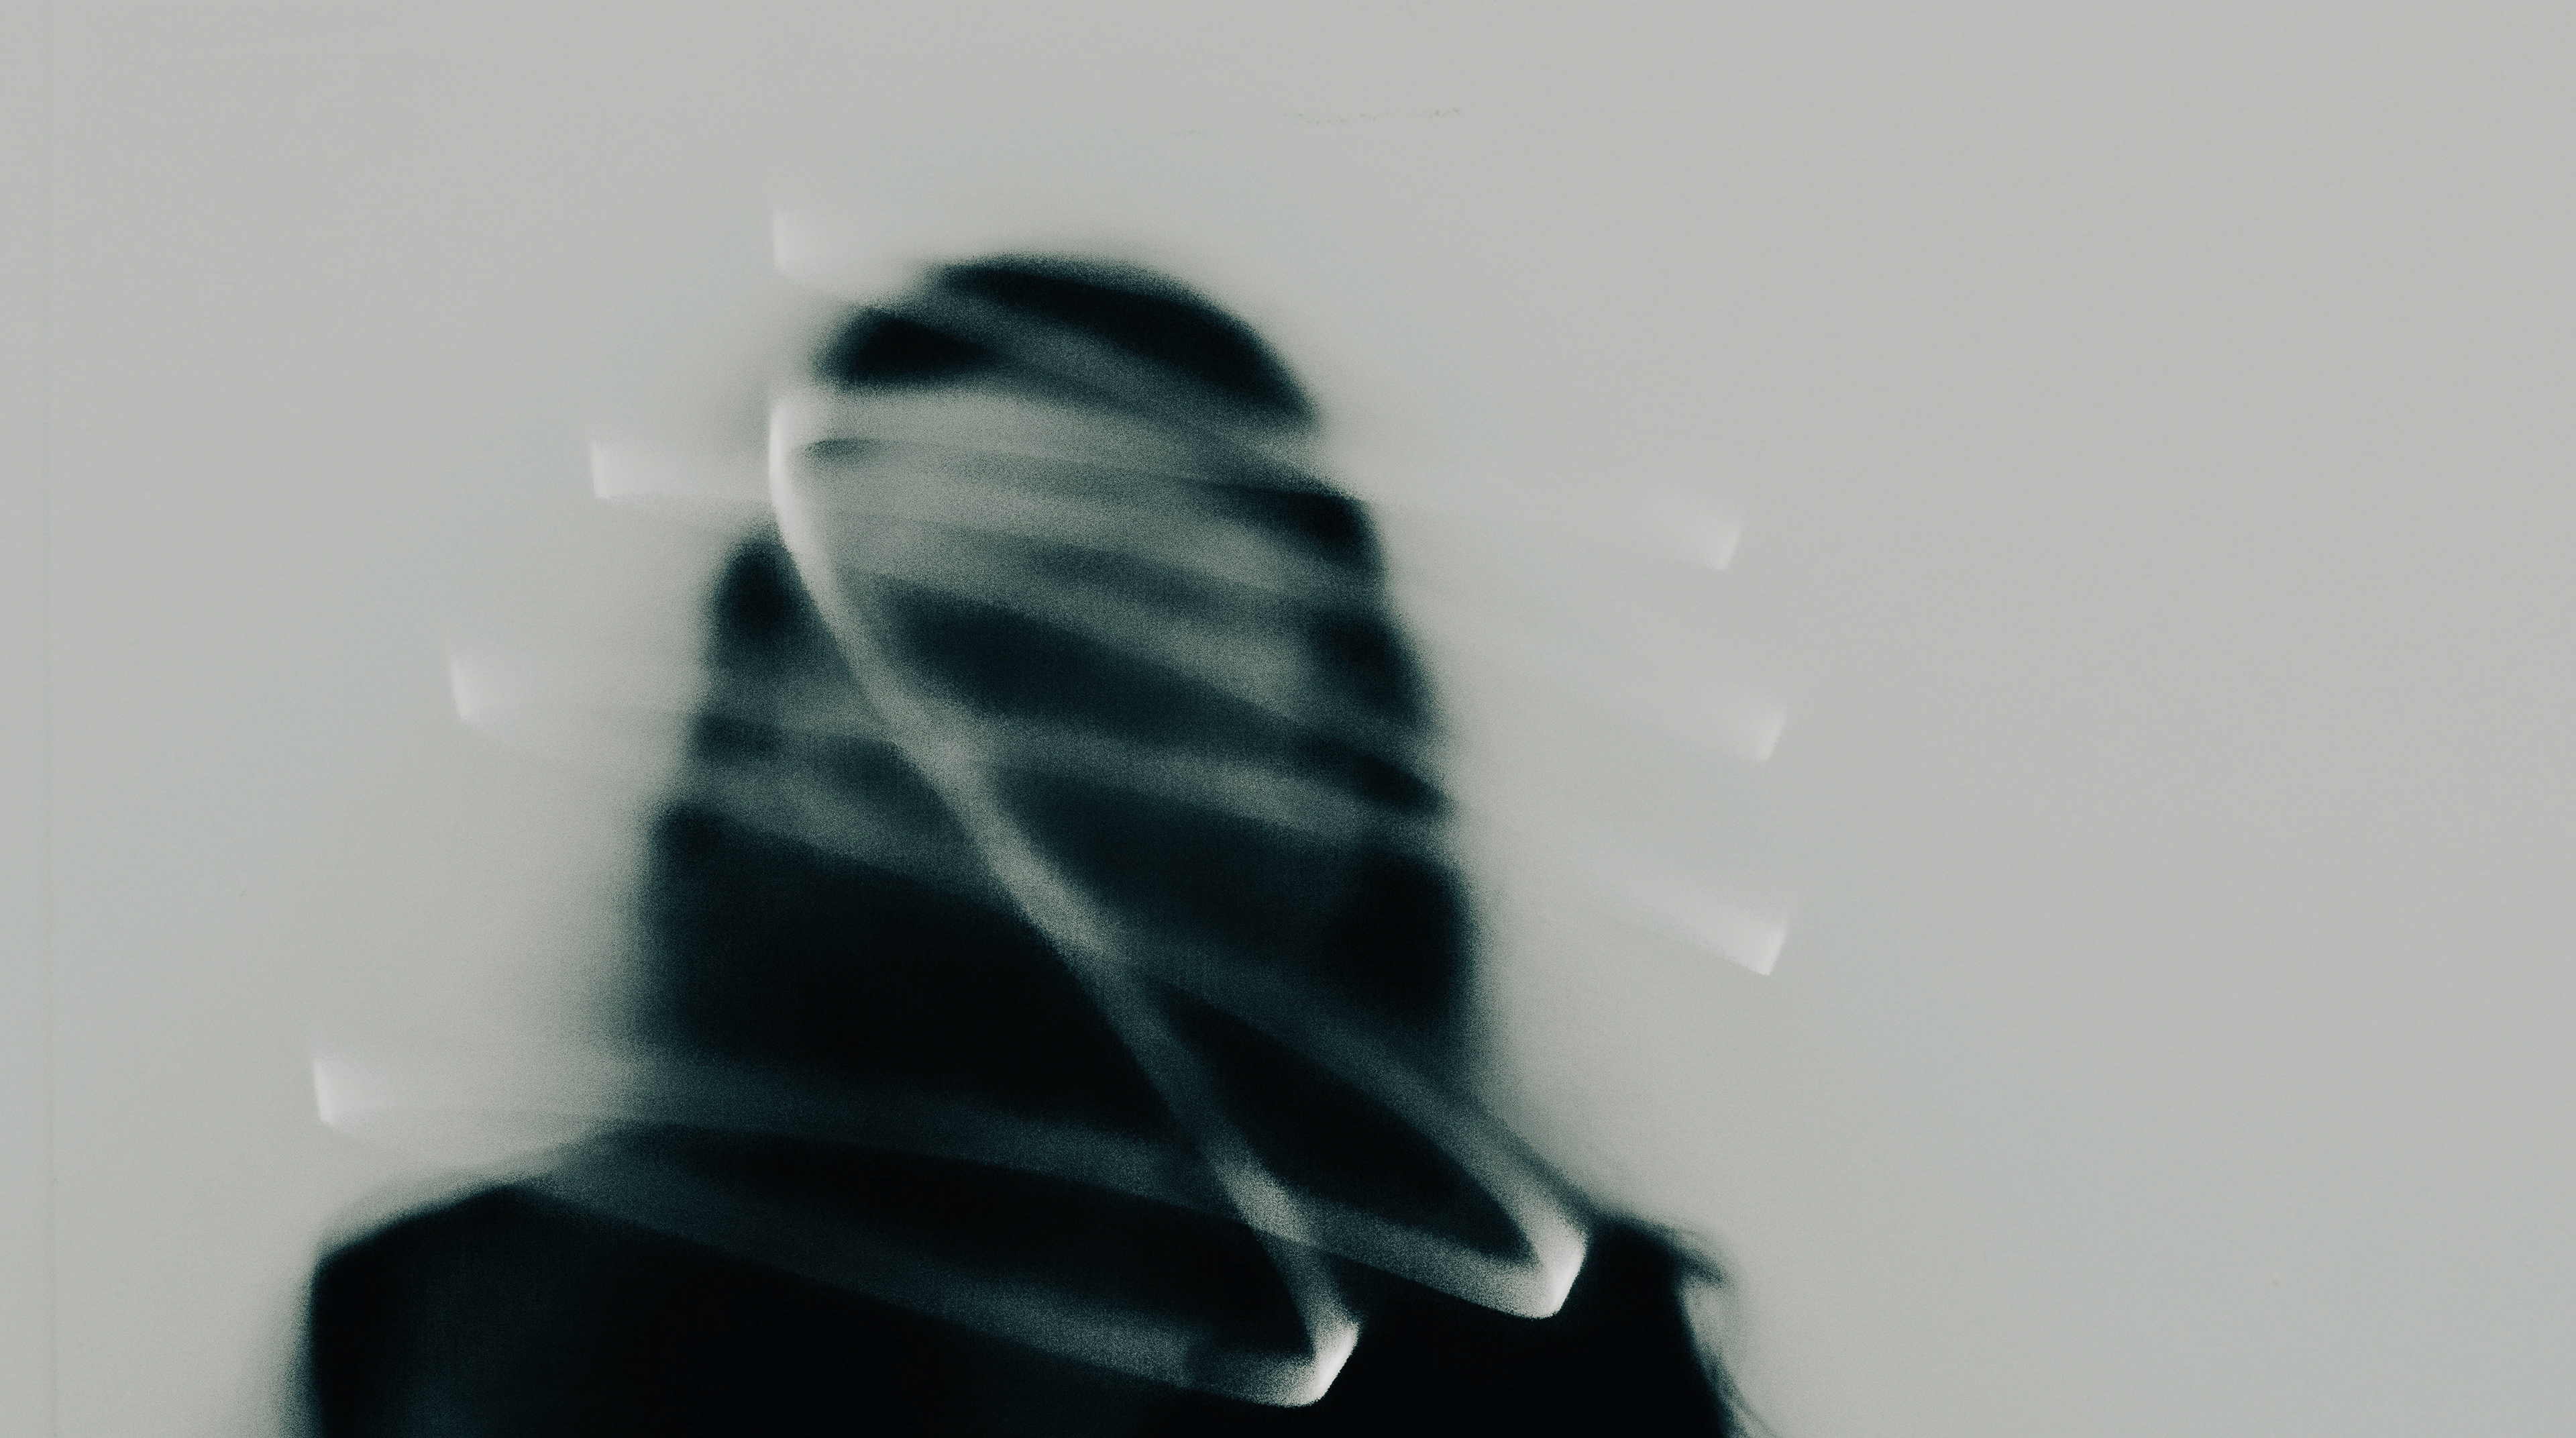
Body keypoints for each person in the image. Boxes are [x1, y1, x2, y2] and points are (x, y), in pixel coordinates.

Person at [297, 255, 1744, 1435]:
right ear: (753, 743)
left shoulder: (1569, 1371)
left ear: (1330, 755)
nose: (1000, 787)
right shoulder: (447, 1332)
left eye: (1116, 666)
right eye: (926, 657)